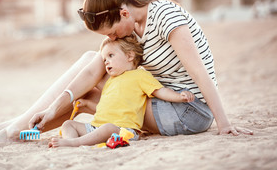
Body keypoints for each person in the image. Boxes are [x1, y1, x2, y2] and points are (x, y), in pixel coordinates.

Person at [0, 0, 252, 146]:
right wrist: (56, 107)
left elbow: (200, 73)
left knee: (91, 84)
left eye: (114, 32)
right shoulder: (136, 26)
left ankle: (8, 130)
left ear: (124, 13)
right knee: (91, 62)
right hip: (161, 104)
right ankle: (10, 127)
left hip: (188, 110)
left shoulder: (166, 16)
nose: (115, 39)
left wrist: (224, 123)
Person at [49, 35, 195, 148]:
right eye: (104, 59)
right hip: (97, 127)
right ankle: (72, 142)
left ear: (130, 56)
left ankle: (74, 143)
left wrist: (179, 97)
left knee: (107, 128)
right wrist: (87, 104)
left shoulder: (140, 76)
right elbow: (105, 109)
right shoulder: (111, 81)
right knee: (68, 124)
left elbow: (160, 91)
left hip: (123, 130)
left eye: (110, 56)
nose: (106, 62)